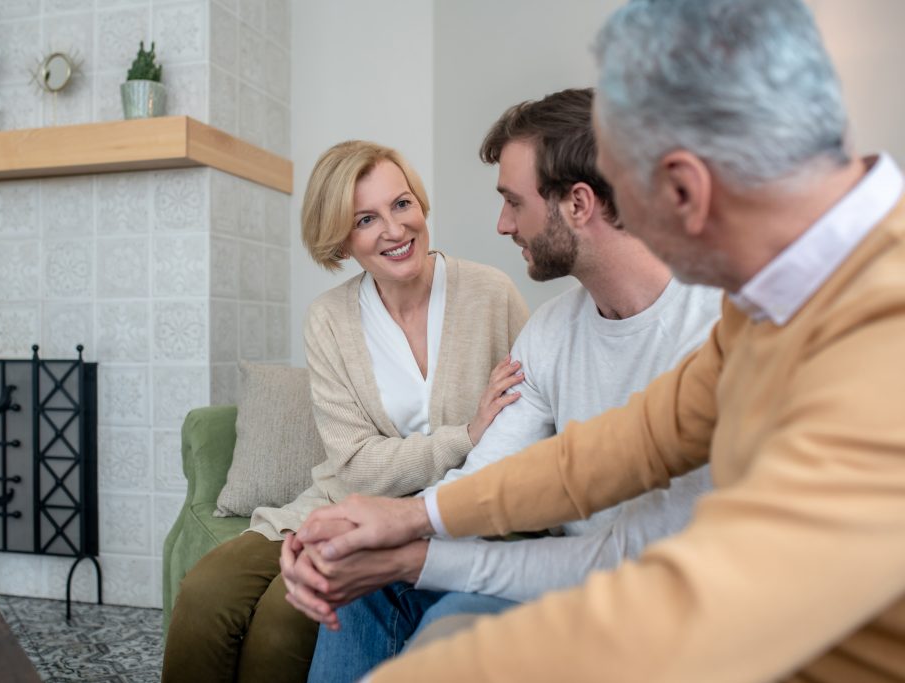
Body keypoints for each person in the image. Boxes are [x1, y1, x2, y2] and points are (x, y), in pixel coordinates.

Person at [292, 0, 905, 681]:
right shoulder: (767, 307)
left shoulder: (883, 341)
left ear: (683, 189)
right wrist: (408, 520)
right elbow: (615, 450)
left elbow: (693, 598)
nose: (622, 218)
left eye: (626, 187)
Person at [287, 89, 721, 683]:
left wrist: (410, 551)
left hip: (674, 601)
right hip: (565, 581)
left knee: (456, 627)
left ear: (578, 204)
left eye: (513, 203)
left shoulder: (717, 329)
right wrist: (361, 538)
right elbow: (482, 482)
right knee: (369, 589)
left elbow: (637, 557)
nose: (501, 224)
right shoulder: (550, 332)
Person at [160, 140, 528, 683]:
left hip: (445, 512)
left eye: (402, 205)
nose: (395, 230)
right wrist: (467, 433)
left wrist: (479, 445)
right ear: (341, 237)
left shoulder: (491, 295)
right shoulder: (329, 319)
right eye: (365, 218)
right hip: (342, 501)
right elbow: (356, 466)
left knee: (285, 620)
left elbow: (530, 417)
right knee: (204, 595)